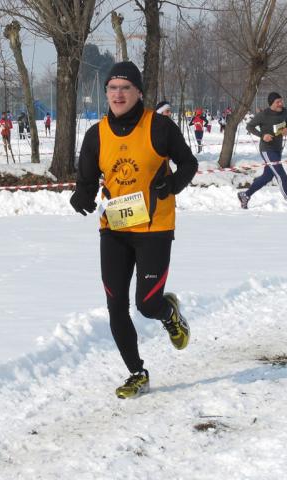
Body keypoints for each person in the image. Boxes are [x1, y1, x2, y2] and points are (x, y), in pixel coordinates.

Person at [69, 61, 198, 399]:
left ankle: (168, 313)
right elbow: (86, 179)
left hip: (154, 226)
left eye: (125, 88)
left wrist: (171, 184)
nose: (118, 94)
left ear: (139, 92)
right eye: (112, 88)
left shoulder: (158, 127)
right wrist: (81, 195)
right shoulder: (96, 134)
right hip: (115, 227)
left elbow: (189, 163)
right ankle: (137, 372)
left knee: (146, 303)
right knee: (115, 305)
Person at [238, 92, 287, 210]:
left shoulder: (284, 112)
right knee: (281, 175)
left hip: (277, 149)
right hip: (267, 150)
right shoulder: (263, 115)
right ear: (272, 103)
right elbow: (249, 126)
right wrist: (263, 136)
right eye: (278, 102)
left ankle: (245, 195)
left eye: (281, 101)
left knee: (267, 177)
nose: (280, 103)